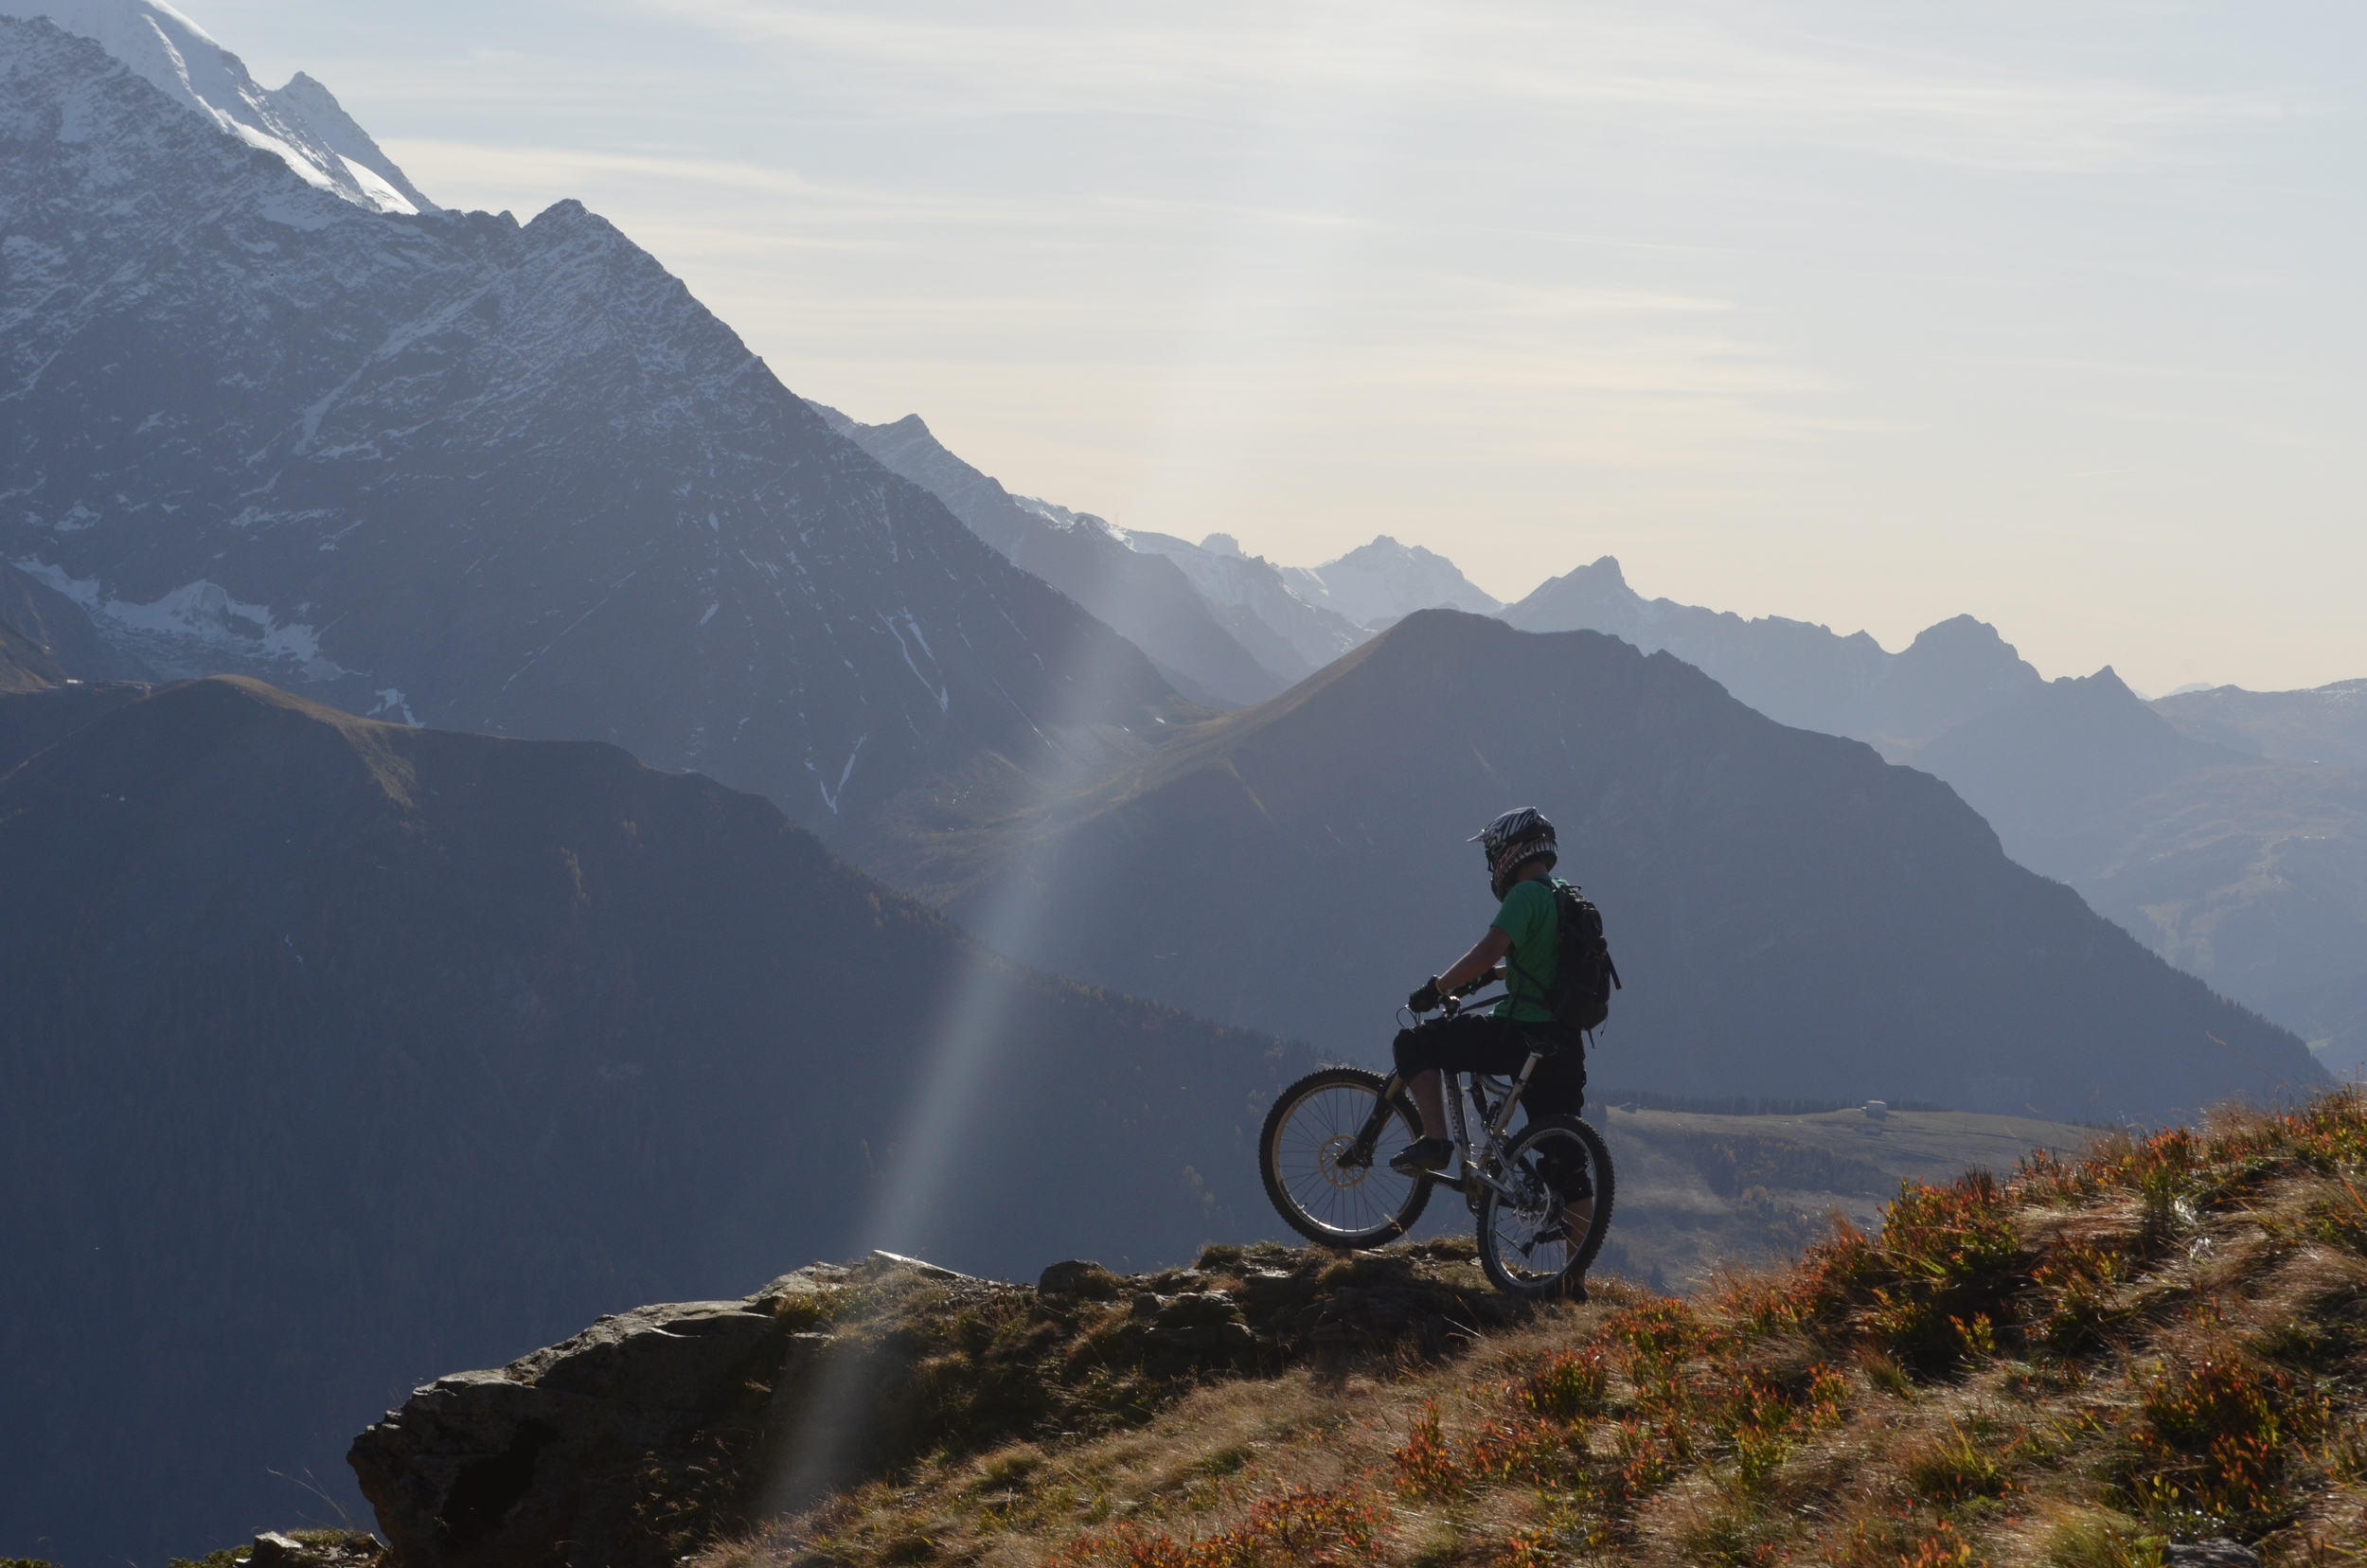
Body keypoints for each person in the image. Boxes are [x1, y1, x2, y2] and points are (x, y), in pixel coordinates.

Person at [1388, 807, 1593, 1244]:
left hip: (1516, 1034)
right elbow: (1539, 966)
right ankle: (1574, 1276)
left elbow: (1487, 950)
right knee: (1567, 1162)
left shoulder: (1524, 896)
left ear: (1510, 852)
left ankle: (1436, 1142)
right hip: (1562, 1044)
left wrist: (1437, 988)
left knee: (1415, 1043)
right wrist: (1495, 975)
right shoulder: (1563, 895)